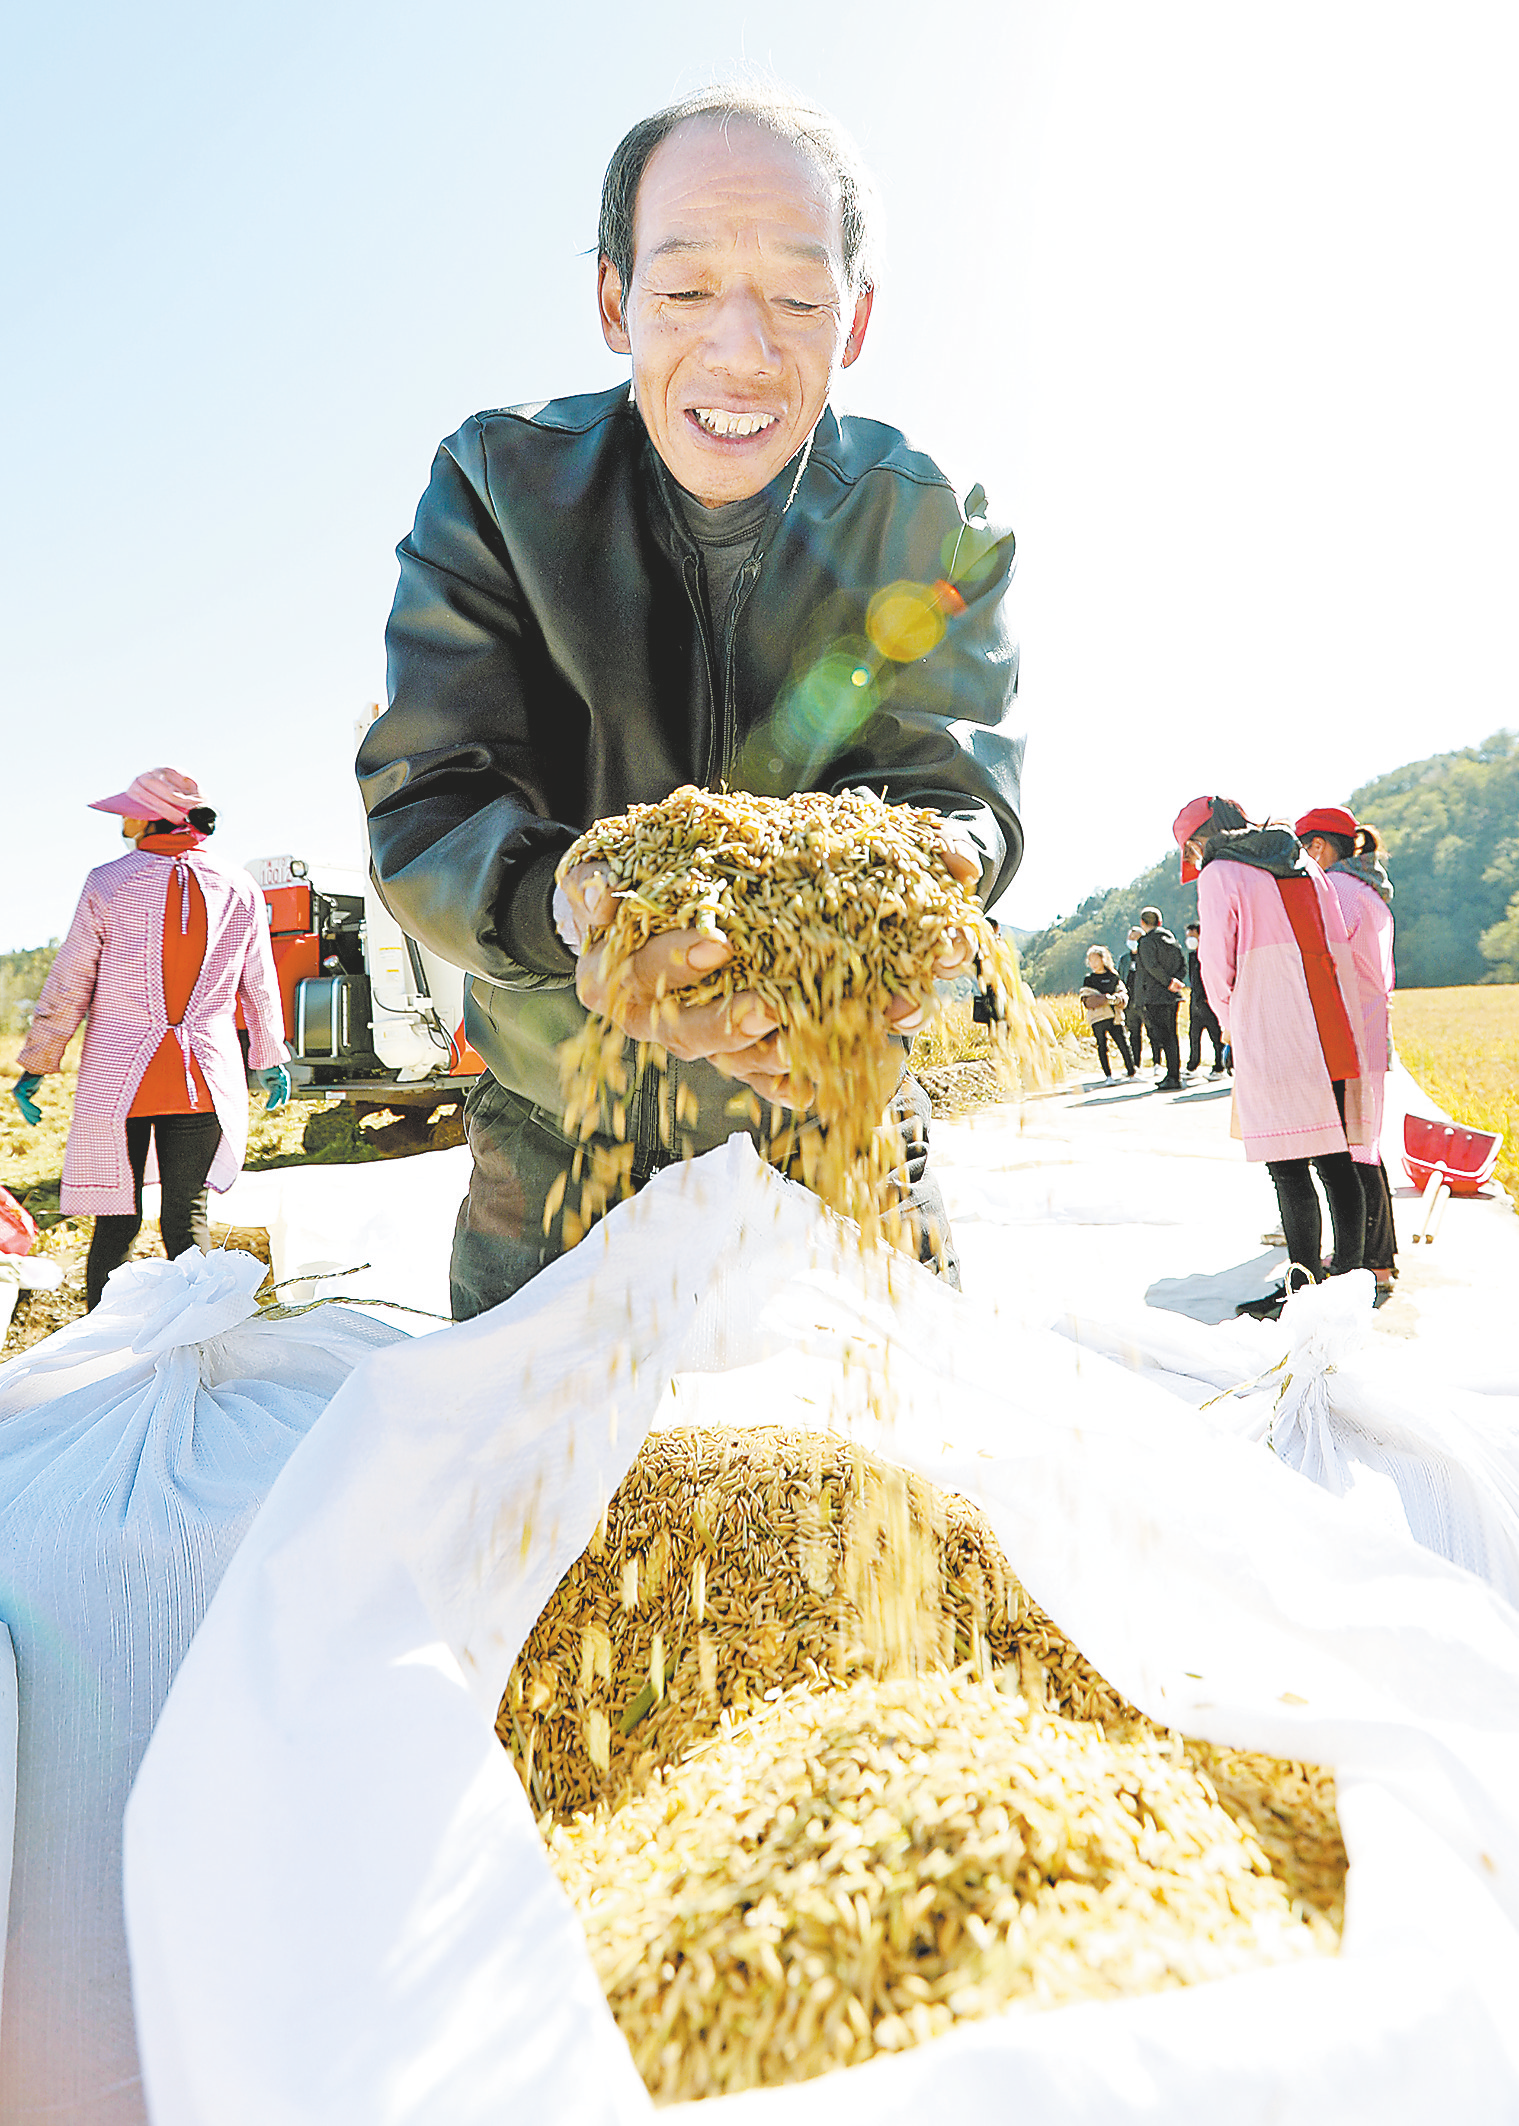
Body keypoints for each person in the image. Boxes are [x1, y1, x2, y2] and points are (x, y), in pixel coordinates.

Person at [357, 87, 1024, 1320]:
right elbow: (431, 796)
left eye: (798, 299)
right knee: (539, 1448)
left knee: (890, 1431)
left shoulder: (926, 521)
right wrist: (574, 908)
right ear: (614, 301)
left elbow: (953, 784)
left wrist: (938, 865)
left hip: (838, 1121)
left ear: (855, 319)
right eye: (684, 290)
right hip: (559, 1143)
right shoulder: (497, 489)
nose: (740, 351)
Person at [9, 769, 290, 1309]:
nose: (122, 820)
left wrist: (38, 1065)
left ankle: (103, 1337)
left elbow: (70, 983)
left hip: (121, 1079)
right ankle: (202, 1336)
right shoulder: (239, 886)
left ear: (151, 818)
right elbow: (259, 982)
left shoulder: (107, 882)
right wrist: (269, 1056)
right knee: (188, 1217)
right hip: (205, 1078)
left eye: (128, 811)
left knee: (116, 1221)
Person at [1173, 795, 1371, 1316]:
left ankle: (1303, 1293)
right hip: (1328, 1020)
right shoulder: (1302, 860)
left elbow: (1216, 960)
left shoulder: (1221, 870)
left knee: (1288, 1165)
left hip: (1272, 1020)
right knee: (1336, 1161)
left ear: (1200, 839)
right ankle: (1350, 1286)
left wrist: (1230, 1019)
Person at [1297, 804, 1398, 1301]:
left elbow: (1322, 961)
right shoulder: (1369, 889)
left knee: (1351, 1149)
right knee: (1365, 1144)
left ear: (1317, 847)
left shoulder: (1334, 889)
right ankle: (1379, 1260)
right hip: (1371, 1027)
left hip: (1349, 1031)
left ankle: (1366, 1263)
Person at [1135, 907, 1186, 1090]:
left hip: (1155, 995)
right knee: (1172, 1035)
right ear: (1160, 922)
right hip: (1172, 995)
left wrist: (1167, 981)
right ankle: (1174, 1073)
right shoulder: (1172, 940)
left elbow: (1151, 966)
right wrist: (1176, 981)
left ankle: (1172, 1076)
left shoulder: (1146, 942)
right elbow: (1182, 964)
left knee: (1163, 1037)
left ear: (1142, 923)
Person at [1077, 946, 1136, 1080]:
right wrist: (1105, 999)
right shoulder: (1089, 979)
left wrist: (1117, 999)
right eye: (1090, 961)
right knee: (1102, 1045)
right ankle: (1108, 1076)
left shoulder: (1113, 977)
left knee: (1123, 1044)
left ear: (1103, 959)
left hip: (1115, 1016)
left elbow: (1123, 993)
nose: (1093, 963)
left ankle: (1132, 1072)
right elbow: (1087, 999)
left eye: (1095, 960)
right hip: (1098, 1017)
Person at [1183, 921, 1226, 1076]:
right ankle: (1192, 1065)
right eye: (1188, 936)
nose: (1190, 939)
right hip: (1195, 1002)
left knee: (1215, 1036)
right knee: (1194, 1035)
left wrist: (1210, 997)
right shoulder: (1192, 956)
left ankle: (1220, 1066)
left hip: (1209, 1002)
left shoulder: (1209, 955)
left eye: (1193, 936)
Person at [1118, 925, 1150, 1066]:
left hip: (1146, 1001)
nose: (1132, 941)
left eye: (1136, 938)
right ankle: (1135, 1064)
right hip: (1130, 1003)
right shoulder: (1125, 959)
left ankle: (1157, 1062)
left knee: (1152, 1033)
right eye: (1130, 938)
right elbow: (1120, 978)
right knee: (1134, 1034)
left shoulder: (1147, 957)